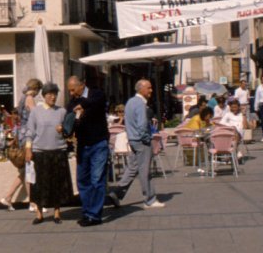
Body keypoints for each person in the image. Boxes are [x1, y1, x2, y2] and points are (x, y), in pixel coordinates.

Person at [109, 80, 166, 209]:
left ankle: (117, 193)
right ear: (141, 89)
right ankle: (150, 199)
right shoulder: (140, 104)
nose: (151, 90)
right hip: (141, 141)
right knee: (145, 171)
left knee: (132, 168)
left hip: (133, 140)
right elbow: (142, 125)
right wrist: (146, 139)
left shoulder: (130, 102)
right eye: (149, 88)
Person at [23, 83, 71, 225]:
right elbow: (30, 132)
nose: (53, 96)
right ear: (44, 96)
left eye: (55, 94)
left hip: (58, 151)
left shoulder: (62, 111)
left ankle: (57, 213)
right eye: (50, 94)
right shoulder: (36, 112)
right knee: (39, 184)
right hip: (40, 152)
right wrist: (28, 149)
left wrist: (63, 129)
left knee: (57, 183)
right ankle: (39, 213)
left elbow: (68, 131)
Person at [65, 76, 109, 227]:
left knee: (97, 179)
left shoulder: (96, 94)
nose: (71, 93)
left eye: (72, 89)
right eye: (69, 90)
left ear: (81, 85)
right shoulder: (72, 102)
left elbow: (95, 103)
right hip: (83, 145)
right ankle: (87, 211)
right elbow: (69, 117)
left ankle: (94, 215)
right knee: (82, 180)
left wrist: (81, 106)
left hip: (98, 143)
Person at [2, 79, 42, 212]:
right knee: (29, 168)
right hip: (28, 136)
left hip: (22, 134)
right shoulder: (30, 98)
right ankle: (32, 203)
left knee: (26, 170)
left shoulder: (22, 97)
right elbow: (36, 115)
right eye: (39, 91)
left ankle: (9, 197)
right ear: (36, 89)